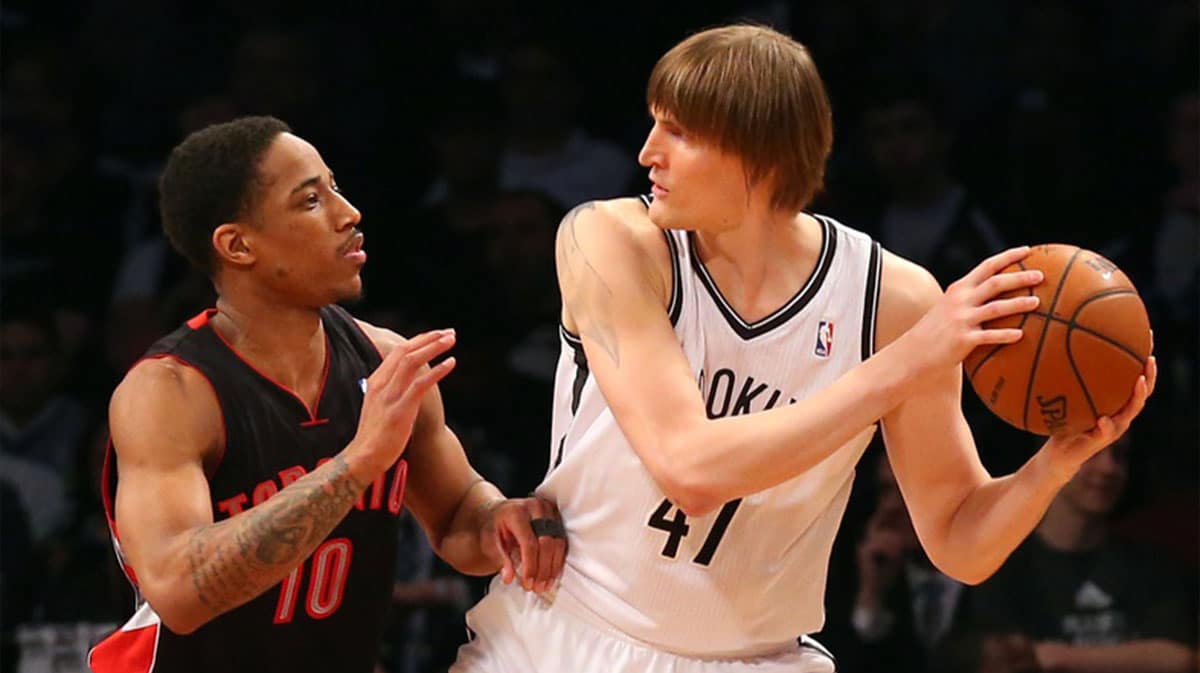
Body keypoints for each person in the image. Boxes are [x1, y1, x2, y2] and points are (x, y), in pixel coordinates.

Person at [450, 24, 1154, 673]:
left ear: (758, 151)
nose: (647, 153)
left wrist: (1058, 459)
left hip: (760, 656)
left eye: (678, 131)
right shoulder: (608, 240)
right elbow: (688, 466)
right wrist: (909, 360)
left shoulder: (894, 300)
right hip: (568, 636)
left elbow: (960, 540)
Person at [87, 116, 567, 673]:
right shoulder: (169, 391)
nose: (349, 213)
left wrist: (504, 521)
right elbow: (178, 591)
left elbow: (459, 518)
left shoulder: (383, 360)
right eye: (311, 200)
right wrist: (358, 463)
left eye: (335, 187)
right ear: (238, 245)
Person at [957, 436, 1198, 673]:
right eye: (1091, 452)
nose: (1109, 468)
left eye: (1119, 455)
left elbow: (1180, 659)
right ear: (1050, 457)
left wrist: (1054, 656)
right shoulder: (1002, 565)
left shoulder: (1152, 564)